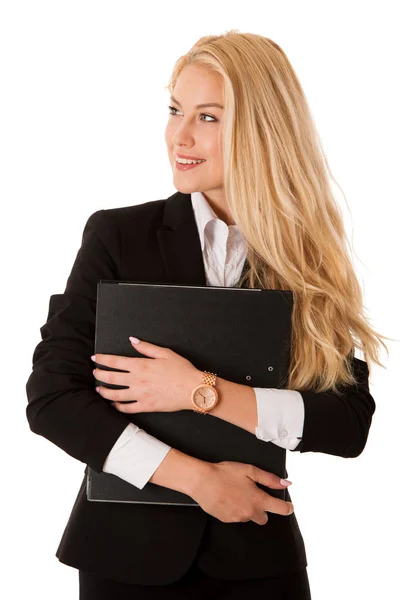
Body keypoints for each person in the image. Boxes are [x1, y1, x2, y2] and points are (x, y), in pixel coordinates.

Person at [25, 31, 389, 599]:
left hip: (259, 550)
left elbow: (347, 423)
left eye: (209, 117)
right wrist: (199, 481)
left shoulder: (303, 258)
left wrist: (201, 390)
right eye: (175, 111)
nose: (181, 135)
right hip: (126, 558)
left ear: (262, 129)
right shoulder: (119, 236)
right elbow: (51, 397)